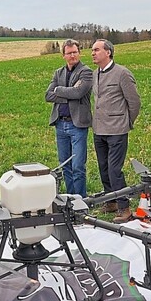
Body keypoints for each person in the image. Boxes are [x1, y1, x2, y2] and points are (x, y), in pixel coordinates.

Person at [90, 38, 141, 223]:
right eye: (92, 50)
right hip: (99, 129)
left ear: (108, 52)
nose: (92, 53)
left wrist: (126, 122)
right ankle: (110, 200)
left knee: (114, 169)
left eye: (96, 50)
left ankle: (124, 208)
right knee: (103, 168)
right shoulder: (95, 73)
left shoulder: (122, 74)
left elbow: (134, 102)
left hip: (117, 130)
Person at [45, 39, 93, 196]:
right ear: (63, 55)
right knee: (64, 165)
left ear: (79, 53)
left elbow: (79, 93)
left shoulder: (85, 72)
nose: (72, 55)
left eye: (75, 52)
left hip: (77, 124)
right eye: (69, 53)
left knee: (78, 166)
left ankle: (81, 200)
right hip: (61, 124)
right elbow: (48, 95)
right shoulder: (58, 73)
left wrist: (59, 90)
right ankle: (70, 200)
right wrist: (68, 93)